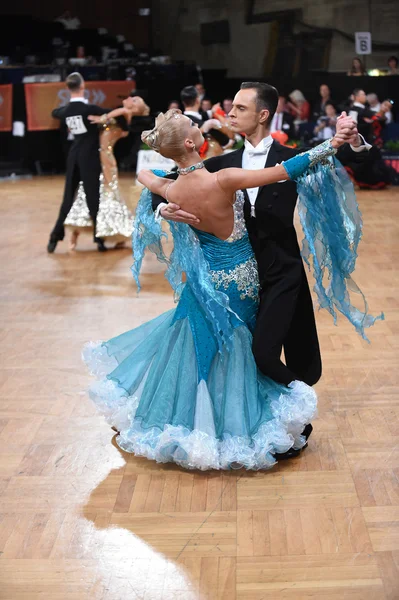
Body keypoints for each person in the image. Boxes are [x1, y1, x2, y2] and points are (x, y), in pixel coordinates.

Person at [83, 108, 381, 470]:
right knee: (236, 351)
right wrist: (332, 144)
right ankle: (238, 424)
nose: (202, 125)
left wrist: (165, 210)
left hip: (204, 280)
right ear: (192, 143)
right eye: (195, 126)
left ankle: (197, 425)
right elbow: (286, 170)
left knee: (197, 349)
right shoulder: (224, 179)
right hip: (240, 279)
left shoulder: (171, 186)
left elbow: (146, 174)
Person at [152, 82, 374, 442]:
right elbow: (162, 184)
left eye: (239, 108)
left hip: (282, 271)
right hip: (239, 278)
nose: (230, 114)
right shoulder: (220, 164)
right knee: (240, 358)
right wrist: (165, 207)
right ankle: (263, 427)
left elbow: (352, 158)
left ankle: (300, 410)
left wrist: (352, 139)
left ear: (262, 114)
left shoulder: (293, 155)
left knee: (264, 353)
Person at [63, 96, 139, 250]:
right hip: (92, 157)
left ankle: (117, 233)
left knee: (108, 193)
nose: (129, 98)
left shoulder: (125, 114)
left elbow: (121, 111)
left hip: (106, 159)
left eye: (134, 99)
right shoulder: (113, 118)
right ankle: (74, 235)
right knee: (86, 192)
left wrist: (102, 118)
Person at [47, 72, 109, 253]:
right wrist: (102, 118)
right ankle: (99, 239)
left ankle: (54, 237)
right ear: (83, 87)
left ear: (67, 88)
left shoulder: (66, 111)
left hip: (73, 156)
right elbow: (110, 113)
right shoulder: (89, 109)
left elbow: (55, 112)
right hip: (88, 158)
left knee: (68, 199)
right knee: (93, 198)